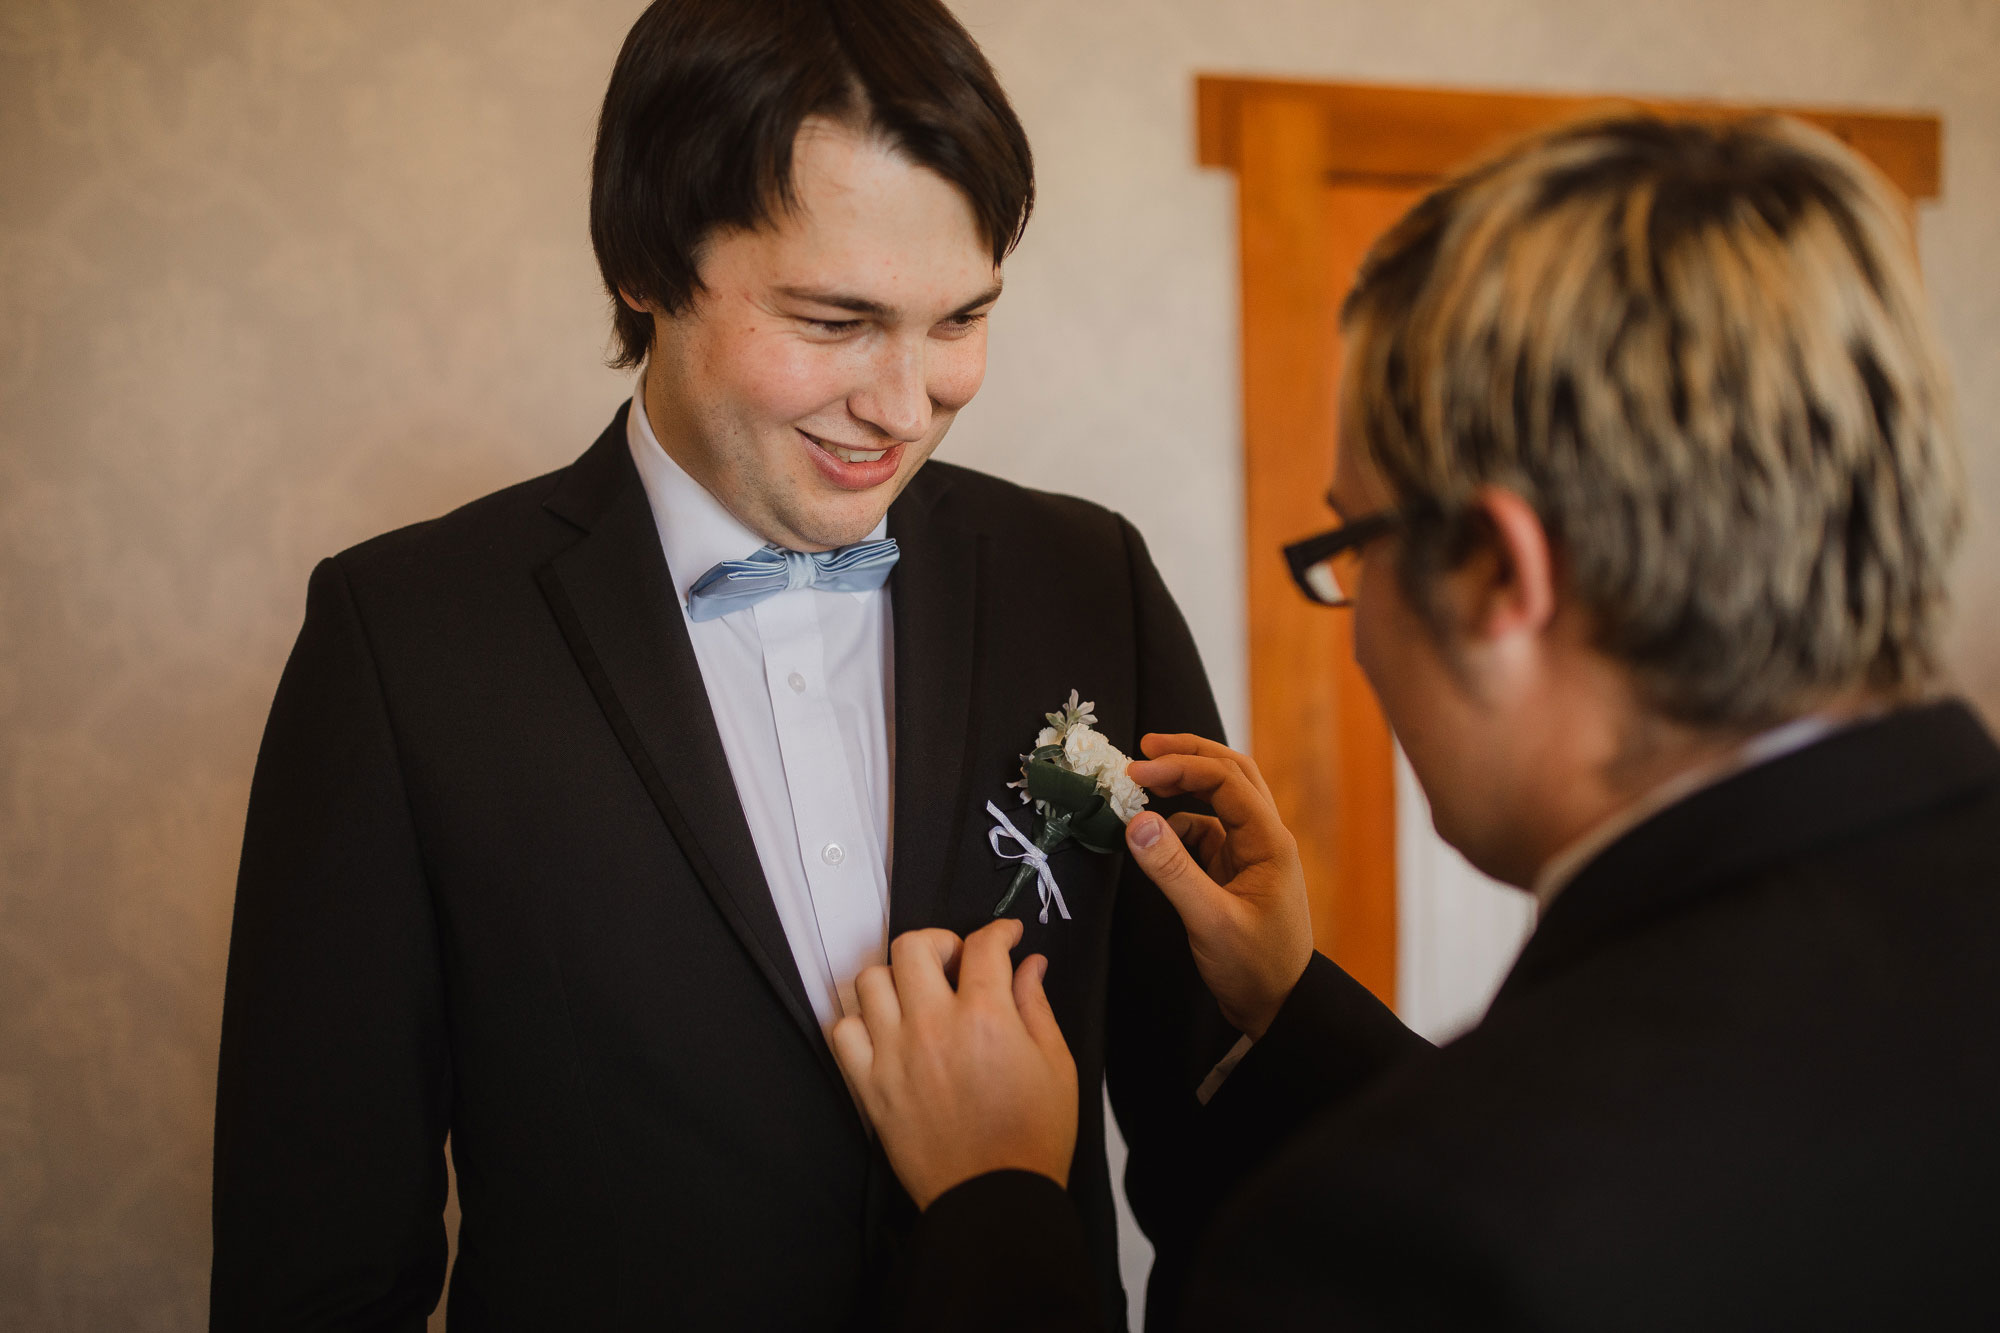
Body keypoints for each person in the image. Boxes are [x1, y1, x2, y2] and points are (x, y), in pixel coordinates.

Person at [833, 113, 2000, 1330]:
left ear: (1499, 576)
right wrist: (1290, 1009)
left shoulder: (1411, 1234)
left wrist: (995, 1206)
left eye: (1351, 546)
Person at [209, 2, 1236, 1327]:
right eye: (832, 320)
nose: (906, 401)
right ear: (644, 262)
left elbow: (1221, 1157)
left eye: (961, 317)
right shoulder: (400, 640)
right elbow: (317, 1261)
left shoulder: (1089, 579)